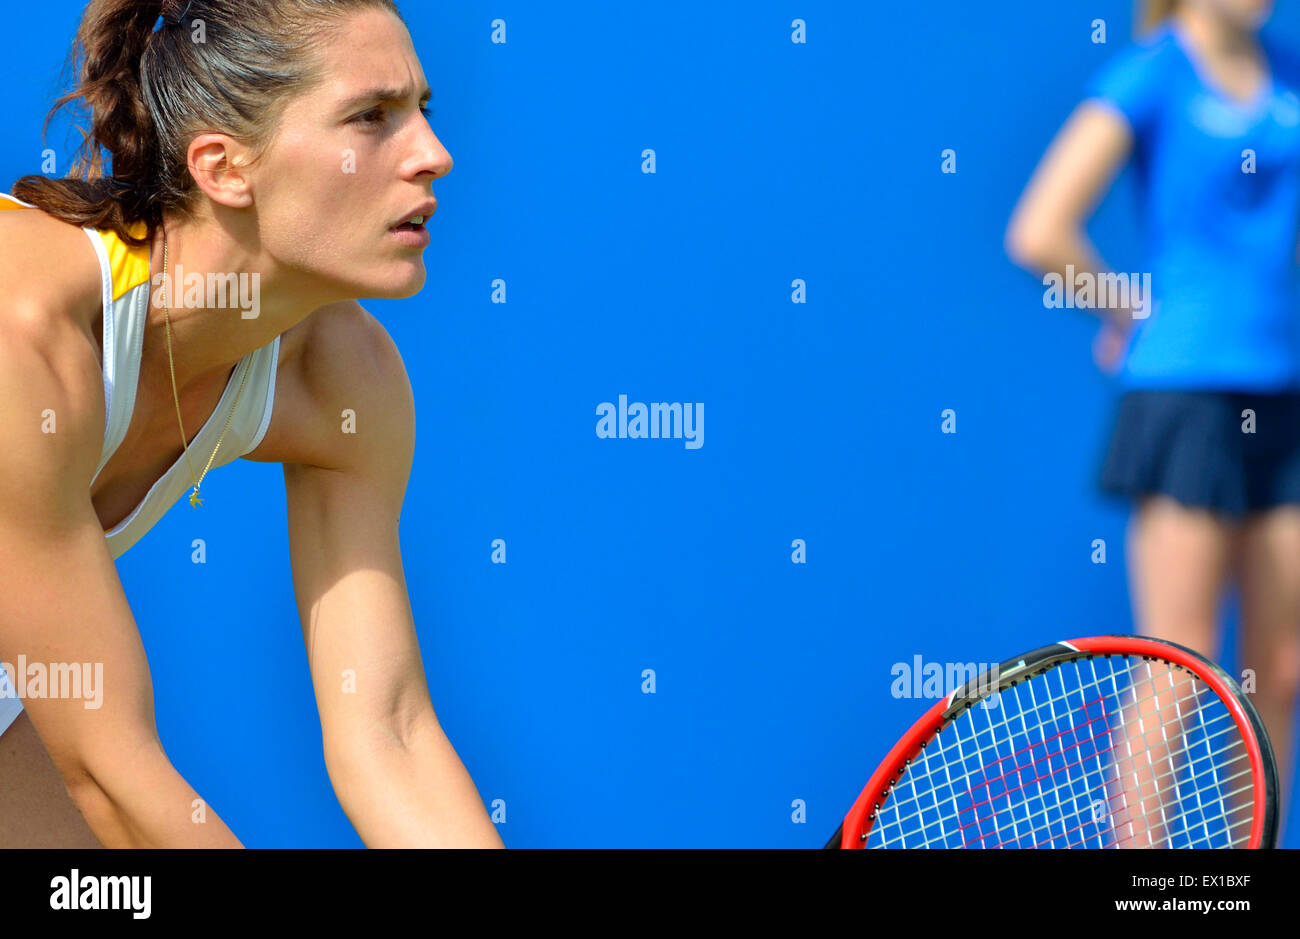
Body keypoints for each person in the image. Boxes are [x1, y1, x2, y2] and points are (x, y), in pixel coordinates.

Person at [0, 0, 504, 848]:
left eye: (424, 109)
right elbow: (113, 770)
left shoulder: (346, 380)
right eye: (371, 117)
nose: (436, 154)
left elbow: (389, 734)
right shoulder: (26, 331)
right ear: (224, 167)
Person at [1007, 0, 1300, 843]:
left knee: (1279, 669)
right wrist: (1125, 310)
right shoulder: (1152, 73)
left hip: (1282, 395)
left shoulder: (1290, 78)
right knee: (1181, 658)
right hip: (1185, 399)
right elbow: (1039, 230)